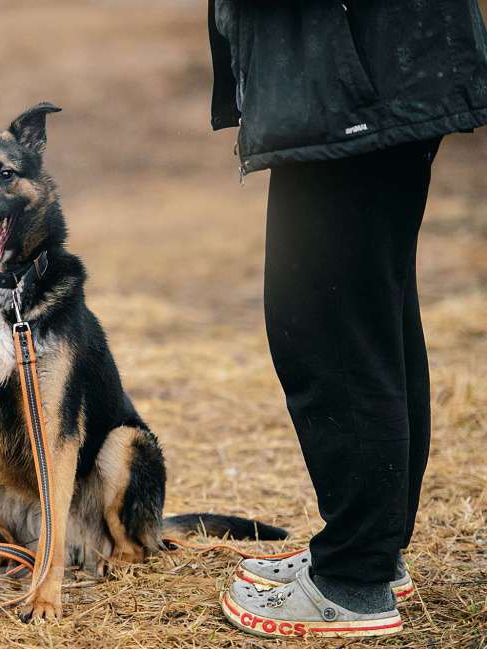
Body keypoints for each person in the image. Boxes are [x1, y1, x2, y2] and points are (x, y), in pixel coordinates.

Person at [208, 0, 487, 639]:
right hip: (372, 68)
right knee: (369, 312)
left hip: (357, 74)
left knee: (326, 325)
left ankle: (353, 580)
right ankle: (369, 554)